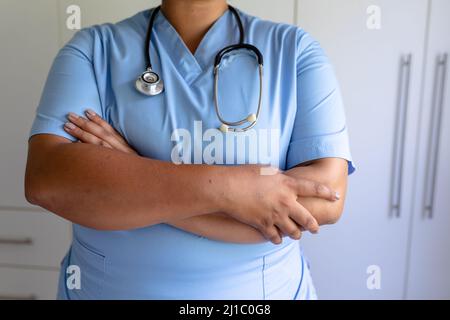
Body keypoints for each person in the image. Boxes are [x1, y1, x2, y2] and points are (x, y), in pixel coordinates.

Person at [25, 0, 354, 299]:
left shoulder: (295, 51)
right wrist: (232, 191)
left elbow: (325, 199)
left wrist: (134, 174)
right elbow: (48, 181)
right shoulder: (93, 50)